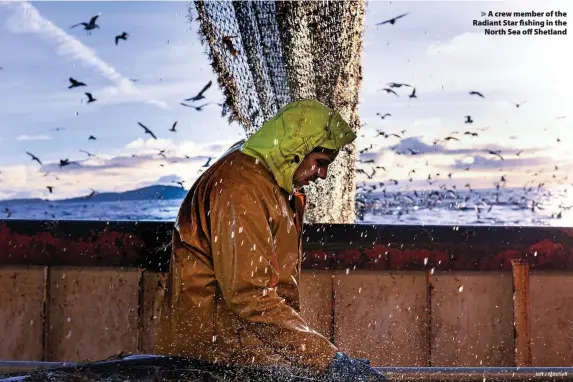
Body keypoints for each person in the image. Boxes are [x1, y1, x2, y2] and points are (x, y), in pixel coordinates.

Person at [154, 99, 386, 381]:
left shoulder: (270, 182)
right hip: (212, 361)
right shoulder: (241, 188)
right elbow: (250, 295)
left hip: (242, 353)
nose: (323, 175)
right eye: (320, 163)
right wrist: (328, 361)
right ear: (295, 150)